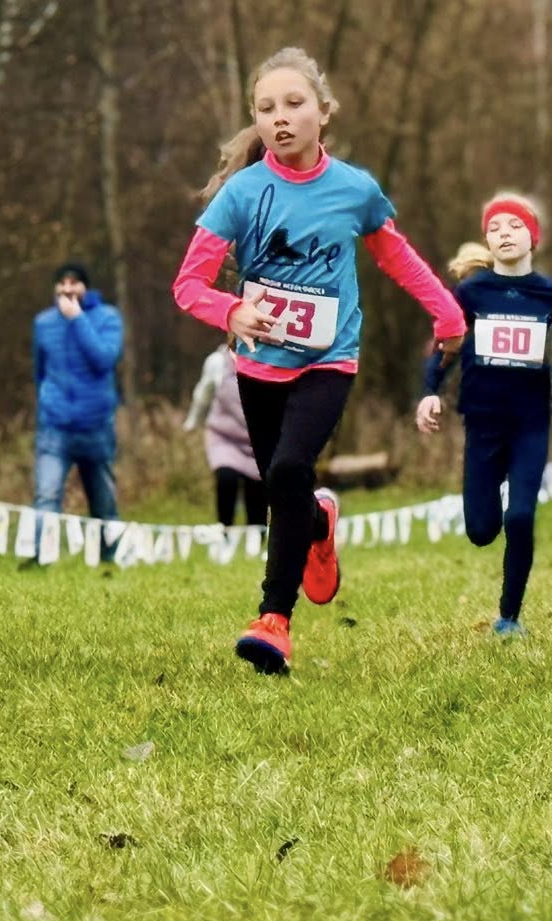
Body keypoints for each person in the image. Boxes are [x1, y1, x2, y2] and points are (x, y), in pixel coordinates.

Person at [172, 46, 465, 674]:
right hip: (256, 363)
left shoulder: (354, 189)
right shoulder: (242, 194)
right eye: (266, 108)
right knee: (287, 487)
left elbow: (396, 257)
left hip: (330, 357)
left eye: (294, 104)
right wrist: (231, 313)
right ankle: (317, 524)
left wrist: (447, 316)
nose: (279, 118)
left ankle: (273, 620)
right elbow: (187, 285)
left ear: (323, 113)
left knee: (286, 469)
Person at [415, 193, 552, 635]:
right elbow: (445, 348)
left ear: (532, 238)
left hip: (531, 423)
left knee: (520, 517)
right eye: (494, 228)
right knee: (480, 530)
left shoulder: (551, 295)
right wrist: (429, 392)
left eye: (514, 226)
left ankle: (509, 616)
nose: (504, 234)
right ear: (487, 242)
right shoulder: (471, 293)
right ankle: (488, 510)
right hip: (482, 421)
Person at [31, 263, 124, 532]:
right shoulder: (43, 323)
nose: (67, 289)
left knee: (103, 501)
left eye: (74, 283)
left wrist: (77, 319)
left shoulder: (108, 318)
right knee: (46, 494)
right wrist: (48, 401)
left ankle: (109, 556)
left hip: (96, 425)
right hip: (55, 426)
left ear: (86, 287)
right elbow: (39, 371)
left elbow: (104, 359)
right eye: (62, 283)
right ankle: (39, 556)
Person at [184, 346, 268, 527]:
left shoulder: (270, 361)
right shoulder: (218, 362)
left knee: (256, 489)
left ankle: (256, 537)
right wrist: (192, 422)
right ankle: (224, 531)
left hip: (258, 442)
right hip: (224, 437)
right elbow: (203, 395)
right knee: (226, 478)